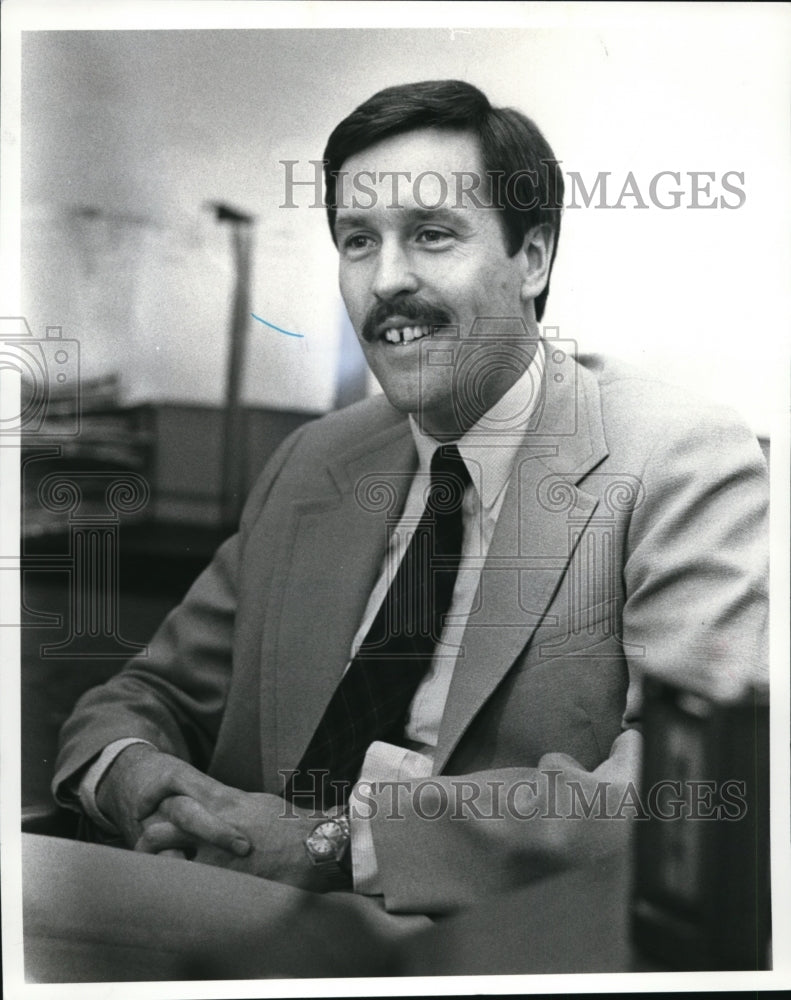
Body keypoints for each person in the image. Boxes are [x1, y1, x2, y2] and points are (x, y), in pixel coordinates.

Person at [52, 80, 768, 917]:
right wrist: (130, 774)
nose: (385, 279)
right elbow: (146, 698)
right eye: (358, 241)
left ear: (531, 259)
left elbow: (689, 795)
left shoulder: (680, 463)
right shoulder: (315, 462)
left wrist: (333, 847)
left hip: (493, 947)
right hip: (240, 922)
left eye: (430, 235)